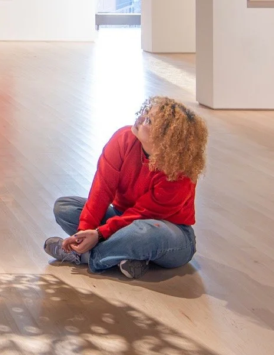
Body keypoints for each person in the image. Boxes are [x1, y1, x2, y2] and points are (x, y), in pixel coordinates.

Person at [44, 96, 207, 279]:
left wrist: (99, 234)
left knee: (143, 232)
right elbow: (101, 190)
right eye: (145, 113)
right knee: (65, 207)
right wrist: (84, 231)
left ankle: (83, 256)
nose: (140, 118)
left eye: (148, 121)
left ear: (166, 139)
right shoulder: (123, 138)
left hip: (166, 232)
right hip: (123, 218)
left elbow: (141, 214)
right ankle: (128, 256)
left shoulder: (179, 174)